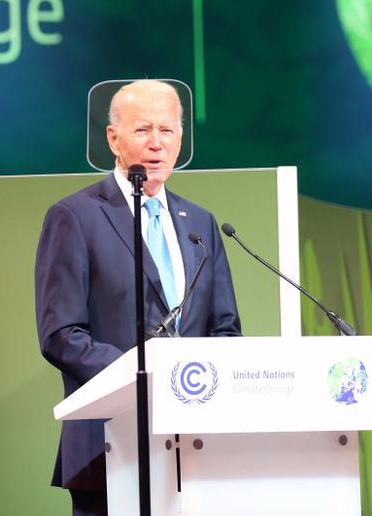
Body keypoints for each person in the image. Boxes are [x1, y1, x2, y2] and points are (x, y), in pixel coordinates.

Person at [34, 79, 242, 516]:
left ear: (181, 139)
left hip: (195, 446)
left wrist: (196, 385)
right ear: (113, 138)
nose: (156, 144)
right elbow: (61, 334)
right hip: (107, 445)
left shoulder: (200, 223)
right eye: (142, 130)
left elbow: (226, 329)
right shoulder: (75, 216)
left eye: (167, 131)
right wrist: (143, 379)